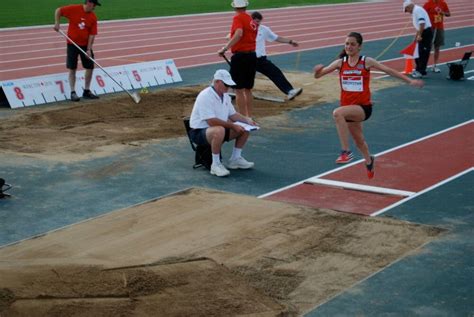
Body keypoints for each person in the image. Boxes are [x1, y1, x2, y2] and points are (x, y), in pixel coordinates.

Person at [313, 32, 424, 179]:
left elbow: (388, 70)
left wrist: (409, 81)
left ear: (359, 47)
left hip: (363, 108)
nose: (349, 47)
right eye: (347, 44)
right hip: (349, 108)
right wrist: (317, 71)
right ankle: (369, 159)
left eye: (352, 44)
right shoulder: (340, 62)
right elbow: (319, 76)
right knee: (359, 141)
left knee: (337, 113)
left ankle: (345, 152)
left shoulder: (366, 61)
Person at [189, 69, 257, 177]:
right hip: (199, 132)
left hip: (217, 129)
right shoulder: (205, 95)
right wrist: (232, 125)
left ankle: (235, 158)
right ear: (217, 82)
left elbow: (233, 115)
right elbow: (211, 121)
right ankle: (215, 165)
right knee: (219, 130)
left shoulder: (225, 96)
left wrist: (247, 119)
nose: (228, 87)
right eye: (226, 85)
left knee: (246, 127)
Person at [54, 0, 101, 102]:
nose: (95, 7)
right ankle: (73, 92)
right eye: (94, 4)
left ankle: (86, 91)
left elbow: (92, 35)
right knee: (72, 68)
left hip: (85, 46)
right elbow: (58, 10)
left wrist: (89, 49)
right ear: (89, 2)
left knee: (90, 66)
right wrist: (57, 23)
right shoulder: (74, 9)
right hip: (72, 44)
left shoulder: (93, 17)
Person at [218, 0, 258, 117]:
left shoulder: (238, 18)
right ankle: (249, 116)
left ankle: (243, 117)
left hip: (241, 56)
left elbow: (239, 33)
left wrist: (225, 48)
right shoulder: (251, 19)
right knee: (248, 89)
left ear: (234, 8)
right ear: (245, 6)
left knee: (239, 89)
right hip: (252, 55)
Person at [251, 11, 303, 101]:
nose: (257, 23)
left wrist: (290, 41)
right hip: (247, 58)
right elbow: (233, 36)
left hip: (260, 59)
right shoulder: (244, 29)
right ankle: (230, 90)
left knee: (275, 72)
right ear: (251, 20)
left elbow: (276, 38)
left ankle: (290, 91)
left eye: (259, 21)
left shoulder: (264, 29)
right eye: (255, 21)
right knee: (239, 75)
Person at [403, 0, 433, 78]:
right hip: (423, 32)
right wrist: (416, 35)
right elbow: (418, 26)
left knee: (423, 52)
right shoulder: (415, 10)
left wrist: (419, 35)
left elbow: (422, 23)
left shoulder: (417, 10)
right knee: (418, 52)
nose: (407, 12)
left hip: (426, 33)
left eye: (407, 10)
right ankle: (419, 69)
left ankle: (421, 71)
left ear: (409, 6)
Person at [423, 0, 451, 73]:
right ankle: (423, 66)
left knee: (437, 47)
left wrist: (443, 13)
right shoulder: (428, 4)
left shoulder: (443, 3)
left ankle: (435, 65)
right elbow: (422, 15)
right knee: (427, 47)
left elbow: (448, 14)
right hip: (430, 28)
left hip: (439, 27)